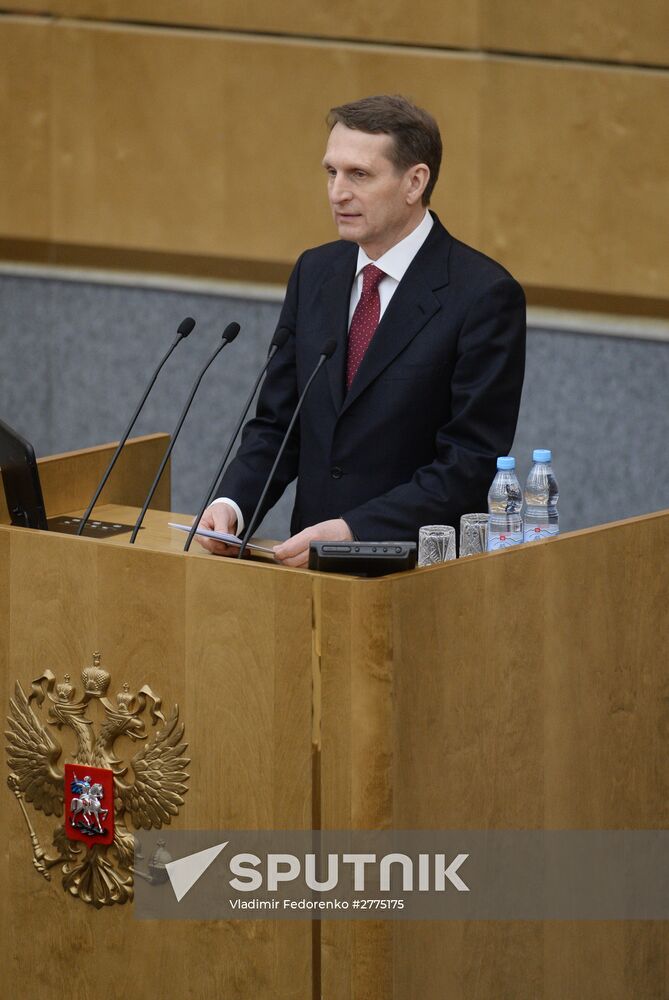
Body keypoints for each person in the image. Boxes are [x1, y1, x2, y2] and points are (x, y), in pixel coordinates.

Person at [197, 94, 526, 567]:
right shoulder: (315, 272)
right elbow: (278, 425)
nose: (337, 192)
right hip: (306, 570)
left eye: (359, 175)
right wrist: (232, 505)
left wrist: (355, 530)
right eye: (331, 172)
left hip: (412, 574)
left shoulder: (483, 294)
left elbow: (470, 463)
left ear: (415, 182)